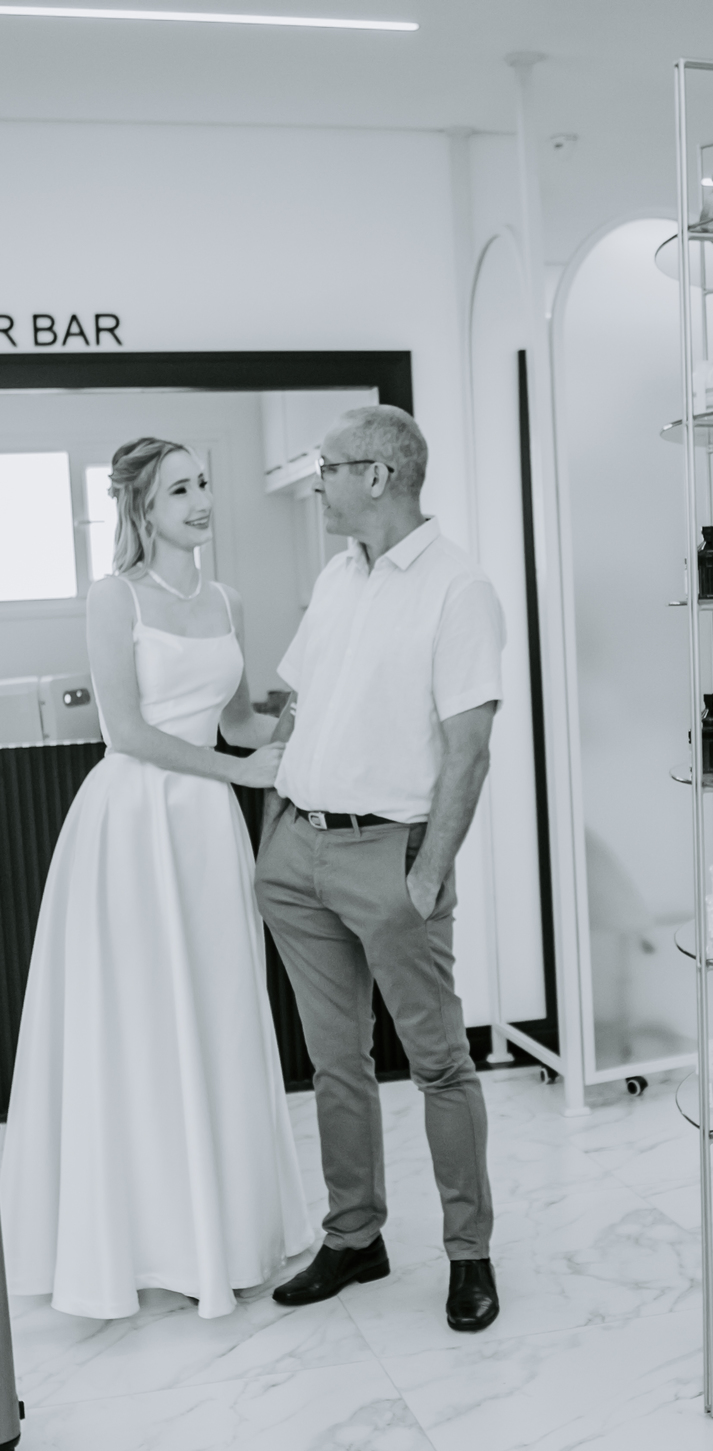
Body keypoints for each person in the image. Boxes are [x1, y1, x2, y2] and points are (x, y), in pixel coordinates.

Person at [0, 438, 313, 1319]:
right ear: (141, 507)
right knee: (139, 1021)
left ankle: (225, 1231)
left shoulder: (227, 600)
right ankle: (147, 1242)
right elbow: (130, 732)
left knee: (215, 1012)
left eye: (203, 484)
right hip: (134, 823)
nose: (201, 500)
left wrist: (312, 716)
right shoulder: (115, 599)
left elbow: (239, 721)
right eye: (180, 490)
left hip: (207, 830)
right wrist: (240, 772)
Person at [256, 405, 505, 1332]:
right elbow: (300, 704)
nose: (317, 482)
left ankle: (469, 1253)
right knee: (336, 1064)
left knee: (439, 1065)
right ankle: (354, 1236)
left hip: (390, 857)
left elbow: (469, 751)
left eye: (326, 467)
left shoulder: (459, 588)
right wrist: (276, 827)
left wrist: (428, 875)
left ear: (378, 475)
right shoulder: (337, 575)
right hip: (299, 853)